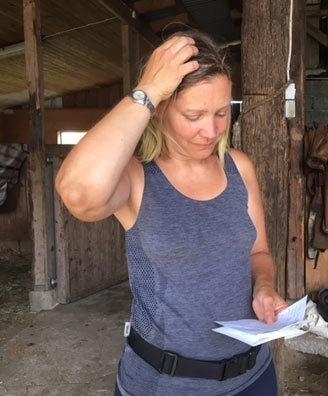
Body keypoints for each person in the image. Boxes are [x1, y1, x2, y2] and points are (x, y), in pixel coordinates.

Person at [55, 29, 287, 395]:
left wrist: (265, 286)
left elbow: (259, 252)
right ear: (160, 109)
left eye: (222, 113)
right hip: (165, 384)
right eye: (193, 115)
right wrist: (146, 91)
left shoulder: (238, 167)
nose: (210, 130)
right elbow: (77, 193)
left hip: (253, 376)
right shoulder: (137, 176)